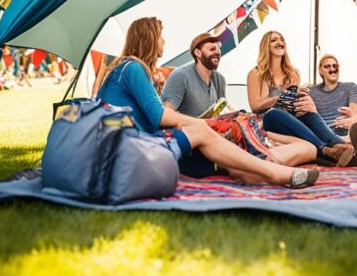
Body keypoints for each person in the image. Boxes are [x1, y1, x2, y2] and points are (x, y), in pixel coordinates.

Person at [95, 17, 319, 188]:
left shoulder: (132, 69)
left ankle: (256, 168)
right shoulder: (133, 68)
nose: (163, 41)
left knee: (281, 142)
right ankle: (275, 173)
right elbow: (160, 115)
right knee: (206, 135)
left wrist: (224, 121)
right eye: (161, 37)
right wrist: (205, 125)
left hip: (145, 142)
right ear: (150, 38)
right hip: (132, 146)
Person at [247, 31, 357, 166]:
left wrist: (301, 99)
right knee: (274, 113)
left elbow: (292, 103)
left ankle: (345, 148)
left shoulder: (293, 73)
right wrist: (283, 96)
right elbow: (255, 105)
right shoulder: (256, 74)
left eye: (281, 39)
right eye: (274, 40)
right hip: (269, 120)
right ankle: (327, 150)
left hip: (291, 117)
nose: (280, 42)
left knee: (308, 112)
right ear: (266, 46)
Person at [162, 33, 228, 117]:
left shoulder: (219, 79)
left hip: (212, 128)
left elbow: (223, 109)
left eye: (219, 49)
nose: (217, 52)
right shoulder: (181, 75)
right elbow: (166, 112)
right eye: (212, 49)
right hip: (186, 129)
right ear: (198, 53)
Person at [308, 54, 357, 136]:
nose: (332, 69)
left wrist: (354, 120)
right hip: (321, 132)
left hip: (342, 129)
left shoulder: (350, 87)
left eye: (335, 66)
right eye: (327, 66)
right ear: (320, 70)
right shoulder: (312, 91)